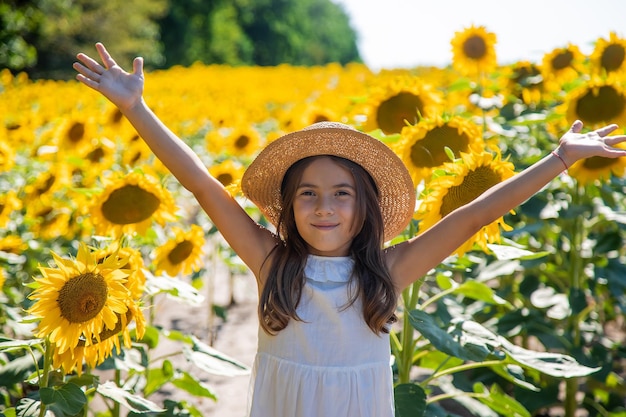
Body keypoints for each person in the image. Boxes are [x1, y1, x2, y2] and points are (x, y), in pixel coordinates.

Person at [73, 43, 626, 417]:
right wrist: (136, 108)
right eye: (307, 194)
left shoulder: (386, 270)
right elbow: (201, 185)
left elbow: (471, 216)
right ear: (287, 208)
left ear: (366, 208)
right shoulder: (270, 261)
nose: (324, 207)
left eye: (342, 194)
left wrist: (557, 159)